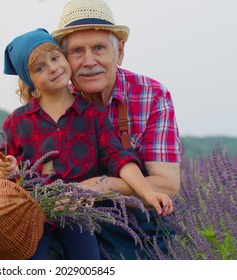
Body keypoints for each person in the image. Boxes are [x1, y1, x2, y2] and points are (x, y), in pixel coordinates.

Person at [0, 28, 173, 260]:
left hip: (78, 212)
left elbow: (119, 159)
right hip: (34, 214)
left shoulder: (92, 116)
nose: (52, 68)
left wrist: (148, 193)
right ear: (30, 80)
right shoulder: (18, 121)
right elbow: (3, 173)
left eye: (55, 57)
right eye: (39, 68)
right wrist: (5, 169)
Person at [50, 0, 182, 259]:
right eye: (77, 51)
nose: (89, 61)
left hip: (136, 229)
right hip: (70, 224)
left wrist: (103, 185)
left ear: (119, 52)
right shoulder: (53, 101)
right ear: (64, 59)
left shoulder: (152, 95)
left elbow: (167, 186)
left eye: (98, 48)